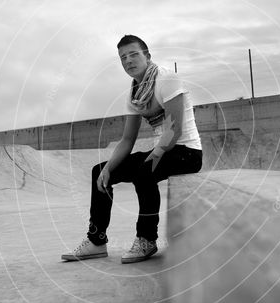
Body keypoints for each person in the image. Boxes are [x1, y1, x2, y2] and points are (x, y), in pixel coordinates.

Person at [62, 34, 203, 263]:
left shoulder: (167, 79)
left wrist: (153, 156)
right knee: (100, 172)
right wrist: (110, 167)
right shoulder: (134, 93)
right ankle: (97, 241)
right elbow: (127, 139)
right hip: (163, 150)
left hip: (186, 152)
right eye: (123, 57)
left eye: (134, 54)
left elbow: (174, 129)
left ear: (147, 56)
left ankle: (147, 240)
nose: (128, 61)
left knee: (144, 172)